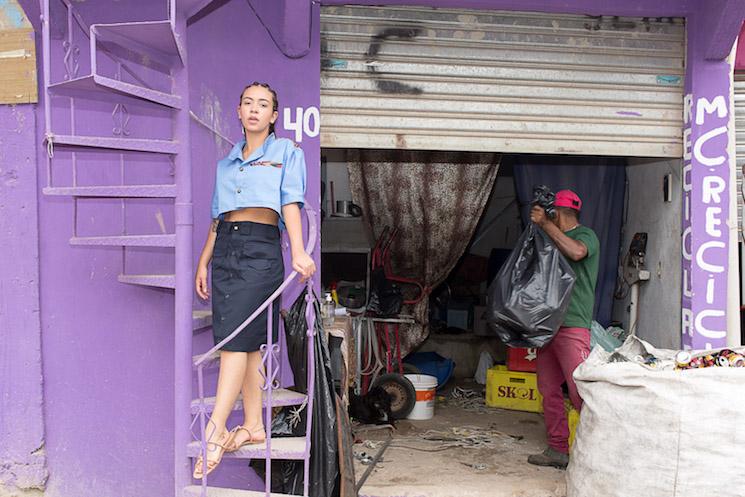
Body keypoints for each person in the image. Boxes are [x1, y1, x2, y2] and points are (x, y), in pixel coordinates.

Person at [193, 82, 316, 478]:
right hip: (226, 251)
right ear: (239, 110)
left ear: (274, 116)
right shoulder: (226, 163)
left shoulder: (286, 152)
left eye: (263, 105)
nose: (254, 110)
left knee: (233, 342)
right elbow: (218, 217)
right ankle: (255, 425)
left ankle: (214, 430)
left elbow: (290, 203)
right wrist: (203, 262)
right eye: (248, 102)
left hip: (261, 251)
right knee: (244, 345)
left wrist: (298, 250)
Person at [526, 190, 599, 470]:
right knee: (548, 390)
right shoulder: (552, 240)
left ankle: (596, 450)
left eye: (550, 214)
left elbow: (577, 252)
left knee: (580, 392)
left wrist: (545, 225)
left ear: (557, 213)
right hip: (548, 327)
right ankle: (558, 449)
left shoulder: (586, 236)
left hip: (573, 327)